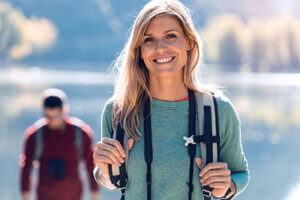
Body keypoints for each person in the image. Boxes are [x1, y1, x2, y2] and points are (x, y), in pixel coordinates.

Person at [93, 0, 249, 199]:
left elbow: (241, 174)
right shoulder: (119, 110)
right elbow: (109, 181)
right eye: (149, 40)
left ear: (189, 42)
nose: (160, 48)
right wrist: (105, 171)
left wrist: (227, 187)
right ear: (139, 51)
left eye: (171, 36)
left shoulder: (218, 110)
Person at [20, 88, 100, 200]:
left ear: (64, 110)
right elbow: (26, 168)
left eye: (56, 116)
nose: (52, 121)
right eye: (48, 116)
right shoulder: (35, 135)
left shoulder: (81, 133)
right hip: (44, 195)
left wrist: (94, 195)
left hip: (73, 195)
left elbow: (90, 166)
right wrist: (25, 196)